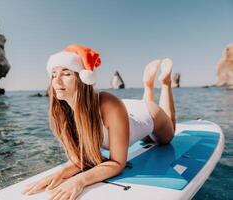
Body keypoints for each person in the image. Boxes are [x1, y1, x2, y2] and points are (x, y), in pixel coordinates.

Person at [22, 44, 176, 200]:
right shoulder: (63, 112)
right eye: (54, 74)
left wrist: (79, 180)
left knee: (165, 138)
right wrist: (60, 173)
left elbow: (117, 163)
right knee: (148, 138)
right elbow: (81, 159)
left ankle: (165, 83)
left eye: (66, 74)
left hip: (148, 113)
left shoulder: (107, 104)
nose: (57, 81)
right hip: (124, 114)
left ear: (82, 80)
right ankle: (148, 86)